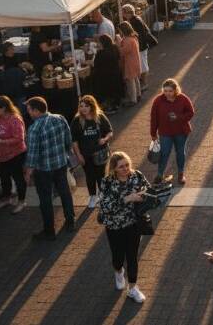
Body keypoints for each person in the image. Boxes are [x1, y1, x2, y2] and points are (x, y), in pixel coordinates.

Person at [98, 151, 149, 304]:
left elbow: (148, 189)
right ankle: (119, 271)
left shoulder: (137, 175)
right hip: (114, 226)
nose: (126, 169)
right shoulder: (107, 182)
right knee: (118, 257)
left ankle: (133, 288)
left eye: (127, 165)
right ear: (113, 169)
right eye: (121, 167)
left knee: (132, 256)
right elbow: (105, 206)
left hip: (133, 224)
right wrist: (128, 198)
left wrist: (144, 195)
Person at [24, 97, 75, 240]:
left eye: (29, 109)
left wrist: (28, 173)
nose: (27, 112)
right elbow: (68, 140)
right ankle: (70, 221)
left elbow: (32, 155)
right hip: (60, 163)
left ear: (36, 111)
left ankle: (49, 230)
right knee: (65, 192)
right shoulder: (60, 118)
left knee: (45, 200)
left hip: (43, 170)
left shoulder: (34, 128)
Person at [0, 96, 28, 215]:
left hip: (15, 155)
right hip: (0, 155)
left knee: (18, 179)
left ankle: (21, 201)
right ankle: (7, 199)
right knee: (3, 178)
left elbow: (19, 138)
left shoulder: (15, 119)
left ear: (4, 108)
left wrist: (0, 142)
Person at [149, 78, 195, 185]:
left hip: (181, 132)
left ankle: (180, 174)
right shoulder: (158, 101)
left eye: (170, 91)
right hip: (165, 133)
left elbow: (191, 112)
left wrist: (178, 117)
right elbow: (154, 118)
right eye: (165, 91)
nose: (167, 94)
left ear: (175, 90)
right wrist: (153, 133)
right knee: (164, 153)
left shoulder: (183, 98)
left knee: (180, 153)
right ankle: (160, 174)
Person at [71, 95, 114, 208]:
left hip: (100, 153)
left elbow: (110, 131)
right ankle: (92, 196)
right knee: (89, 175)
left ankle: (102, 195)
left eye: (86, 106)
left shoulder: (100, 117)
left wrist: (104, 139)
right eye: (81, 106)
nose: (83, 109)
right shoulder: (76, 121)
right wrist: (78, 155)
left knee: (101, 175)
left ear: (92, 106)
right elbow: (74, 140)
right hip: (85, 154)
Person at [122, 4, 157, 90]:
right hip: (141, 46)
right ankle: (143, 82)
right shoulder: (135, 19)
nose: (122, 14)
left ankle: (144, 83)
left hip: (141, 46)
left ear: (128, 13)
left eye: (123, 12)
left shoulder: (135, 21)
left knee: (143, 66)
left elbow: (140, 34)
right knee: (142, 65)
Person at [118, 21, 142, 107]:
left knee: (130, 81)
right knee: (136, 79)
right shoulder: (134, 37)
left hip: (130, 62)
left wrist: (118, 46)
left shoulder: (127, 40)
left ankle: (133, 99)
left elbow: (123, 52)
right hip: (135, 60)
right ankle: (138, 94)